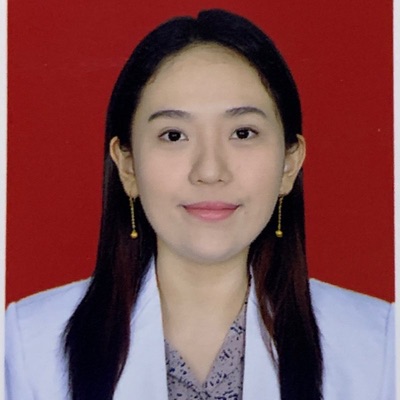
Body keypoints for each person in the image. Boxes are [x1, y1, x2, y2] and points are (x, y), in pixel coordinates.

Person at [5, 9, 395, 400]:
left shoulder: (379, 344)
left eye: (243, 133)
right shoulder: (27, 343)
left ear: (289, 164)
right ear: (127, 165)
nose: (210, 171)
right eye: (174, 135)